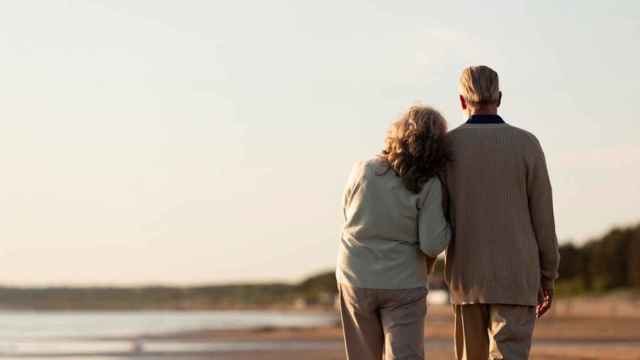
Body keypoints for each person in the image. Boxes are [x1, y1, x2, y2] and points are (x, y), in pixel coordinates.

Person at [444, 65, 560, 360]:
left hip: (467, 277)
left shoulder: (447, 147)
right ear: (500, 97)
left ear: (461, 101)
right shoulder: (527, 144)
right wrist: (548, 275)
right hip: (518, 276)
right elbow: (543, 218)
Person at [336, 105, 452, 360]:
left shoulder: (362, 169)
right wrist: (450, 226)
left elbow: (348, 214)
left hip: (355, 276)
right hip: (403, 282)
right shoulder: (429, 184)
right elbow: (432, 245)